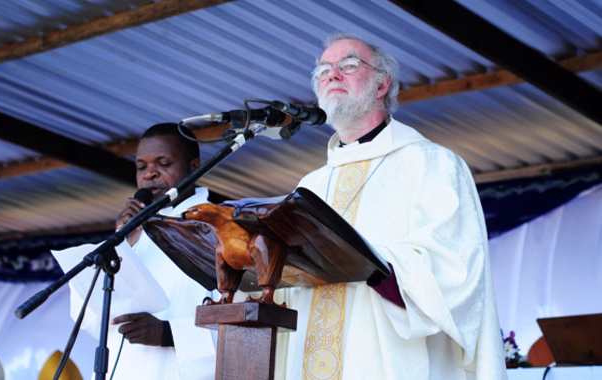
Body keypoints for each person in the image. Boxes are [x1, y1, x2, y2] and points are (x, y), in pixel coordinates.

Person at [273, 34, 507, 379]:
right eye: (323, 70)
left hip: (386, 359)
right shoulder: (310, 185)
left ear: (382, 84)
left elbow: (455, 268)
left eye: (348, 65)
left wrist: (366, 261)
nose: (332, 75)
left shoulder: (432, 164)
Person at [67, 123, 216, 379]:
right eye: (141, 167)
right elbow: (89, 319)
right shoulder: (130, 233)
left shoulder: (219, 227)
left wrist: (168, 333)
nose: (149, 174)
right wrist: (123, 243)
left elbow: (243, 320)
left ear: (195, 167)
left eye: (163, 163)